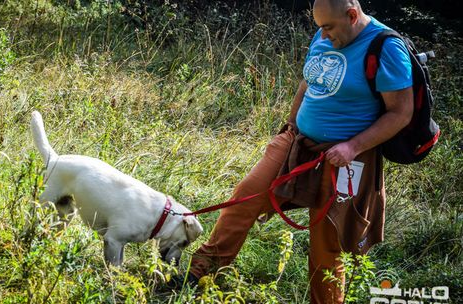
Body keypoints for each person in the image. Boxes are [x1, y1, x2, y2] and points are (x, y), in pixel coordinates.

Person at [172, 0, 414, 303]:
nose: (323, 36)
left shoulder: (386, 48)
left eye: (328, 27)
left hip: (344, 157)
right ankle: (200, 273)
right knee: (245, 197)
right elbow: (308, 81)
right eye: (320, 27)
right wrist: (290, 124)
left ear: (352, 15)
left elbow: (400, 113)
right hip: (297, 141)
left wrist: (353, 146)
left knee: (328, 241)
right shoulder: (326, 33)